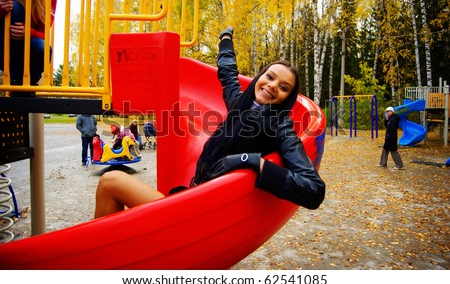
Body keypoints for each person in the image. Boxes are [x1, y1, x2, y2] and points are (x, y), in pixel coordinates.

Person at [93, 26, 326, 219]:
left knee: (110, 180)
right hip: (195, 195)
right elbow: (227, 74)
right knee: (113, 187)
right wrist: (225, 40)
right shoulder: (239, 104)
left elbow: (314, 190)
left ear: (287, 98)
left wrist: (251, 161)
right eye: (270, 76)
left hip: (205, 211)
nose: (273, 85)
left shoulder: (280, 127)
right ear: (259, 78)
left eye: (283, 87)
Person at [0, 0, 57, 89]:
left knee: (42, 47)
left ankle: (28, 82)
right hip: (4, 48)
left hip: (26, 55)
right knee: (16, 8)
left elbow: (44, 35)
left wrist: (28, 32)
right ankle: (16, 80)